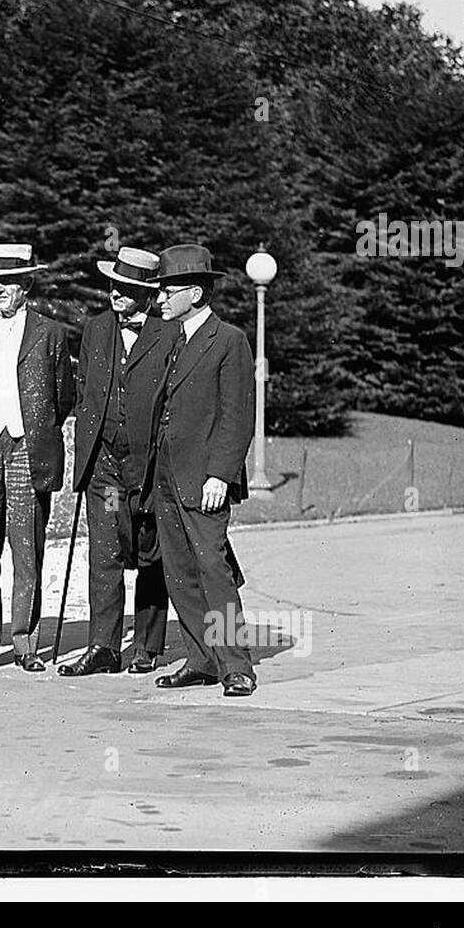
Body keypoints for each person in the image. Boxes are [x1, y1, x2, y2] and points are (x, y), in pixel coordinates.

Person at [0, 243, 74, 673]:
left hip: (28, 448)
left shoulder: (50, 334)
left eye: (7, 282)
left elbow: (63, 397)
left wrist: (36, 429)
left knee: (27, 551)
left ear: (26, 286)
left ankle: (25, 643)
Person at [60, 246, 179, 677]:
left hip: (148, 467)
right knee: (105, 551)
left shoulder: (168, 334)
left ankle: (147, 647)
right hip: (105, 466)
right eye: (114, 285)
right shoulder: (96, 329)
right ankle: (103, 647)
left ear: (147, 295)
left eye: (127, 289)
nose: (116, 294)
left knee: (150, 552)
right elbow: (82, 389)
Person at [150, 243, 257, 697]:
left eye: (168, 291)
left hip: (204, 480)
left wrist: (220, 474)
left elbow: (237, 416)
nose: (159, 299)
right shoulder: (173, 339)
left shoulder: (228, 340)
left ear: (194, 293)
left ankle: (236, 666)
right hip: (166, 477)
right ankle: (201, 660)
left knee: (214, 570)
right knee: (179, 571)